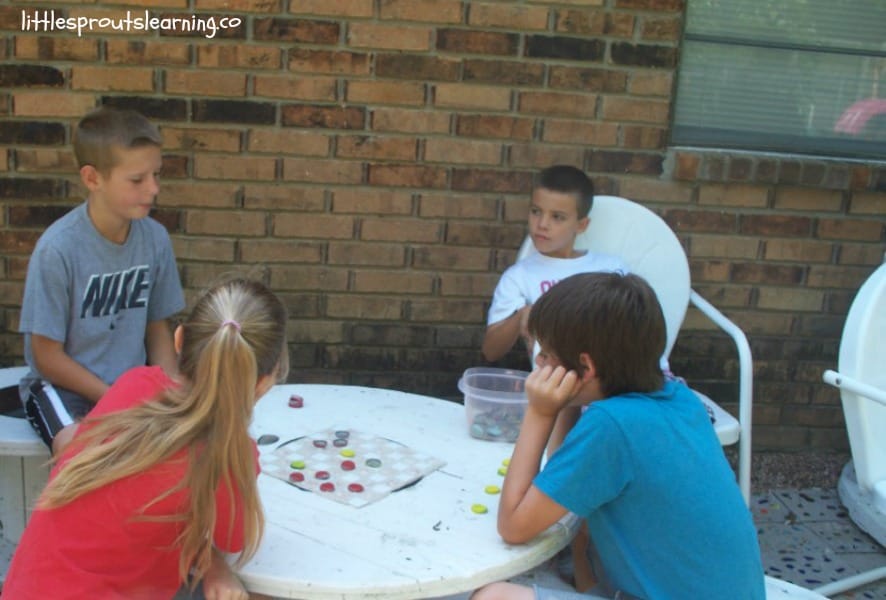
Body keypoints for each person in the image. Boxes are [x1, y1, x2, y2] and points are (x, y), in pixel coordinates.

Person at [472, 272, 765, 600]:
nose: (538, 362)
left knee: (493, 597)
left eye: (547, 353)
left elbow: (514, 526)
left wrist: (540, 413)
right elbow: (564, 480)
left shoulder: (612, 425)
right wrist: (567, 399)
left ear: (585, 367)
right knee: (579, 541)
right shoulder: (681, 399)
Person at [3, 278, 290, 599]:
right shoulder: (227, 450)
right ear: (264, 383)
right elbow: (235, 539)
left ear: (179, 340)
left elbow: (143, 508)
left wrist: (213, 566)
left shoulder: (133, 384)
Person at [18, 106, 185, 455]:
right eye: (137, 180)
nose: (153, 188)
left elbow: (158, 330)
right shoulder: (58, 249)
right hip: (62, 390)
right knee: (81, 452)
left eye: (157, 174)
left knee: (182, 442)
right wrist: (115, 400)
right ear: (93, 178)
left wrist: (171, 393)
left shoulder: (154, 239)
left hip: (130, 386)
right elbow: (45, 356)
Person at [481, 165, 626, 364]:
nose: (542, 224)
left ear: (581, 225)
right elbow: (491, 351)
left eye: (557, 217)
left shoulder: (611, 269)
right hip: (557, 386)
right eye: (536, 212)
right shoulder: (519, 276)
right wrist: (522, 316)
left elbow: (635, 333)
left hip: (619, 380)